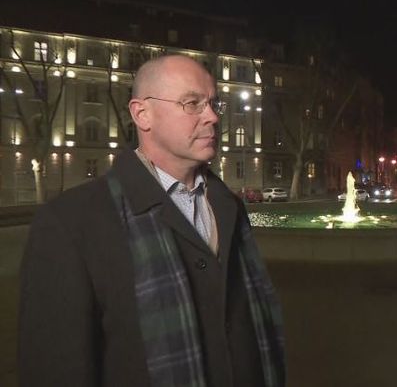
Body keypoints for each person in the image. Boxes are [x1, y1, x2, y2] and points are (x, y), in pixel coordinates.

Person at [19, 55, 285, 387]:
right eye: (192, 104)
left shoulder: (229, 206)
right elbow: (54, 369)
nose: (213, 117)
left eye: (214, 104)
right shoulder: (70, 223)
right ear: (142, 114)